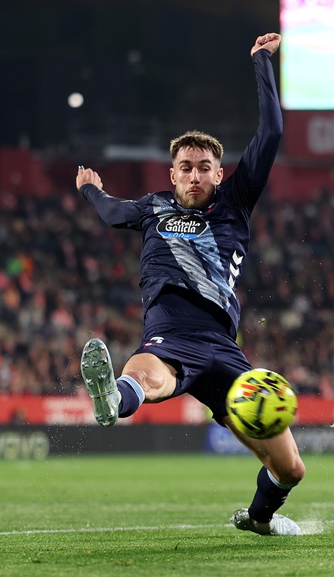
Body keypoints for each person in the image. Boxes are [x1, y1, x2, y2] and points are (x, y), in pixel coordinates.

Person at [74, 33, 305, 536]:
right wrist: (92, 191)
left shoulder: (235, 202)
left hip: (224, 347)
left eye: (204, 168)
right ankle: (115, 398)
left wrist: (261, 62)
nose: (195, 176)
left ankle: (259, 519)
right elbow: (114, 212)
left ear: (219, 174)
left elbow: (270, 133)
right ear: (172, 174)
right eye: (186, 168)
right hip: (171, 332)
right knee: (146, 373)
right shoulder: (153, 207)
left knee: (291, 468)